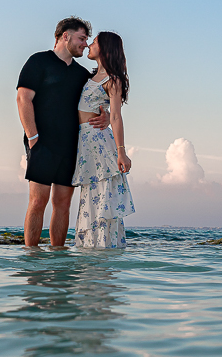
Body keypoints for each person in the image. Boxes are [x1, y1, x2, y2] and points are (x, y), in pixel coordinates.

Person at [16, 17, 108, 248]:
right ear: (65, 36)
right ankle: (32, 258)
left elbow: (96, 102)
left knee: (63, 204)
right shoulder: (38, 61)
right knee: (38, 201)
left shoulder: (81, 75)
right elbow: (23, 98)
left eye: (87, 39)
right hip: (42, 143)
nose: (85, 44)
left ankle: (58, 259)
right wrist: (33, 137)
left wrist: (105, 115)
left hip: (72, 146)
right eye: (81, 38)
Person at [72, 31, 134, 248]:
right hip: (86, 143)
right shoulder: (88, 78)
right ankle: (90, 250)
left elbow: (116, 116)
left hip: (100, 144)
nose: (89, 44)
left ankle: (104, 250)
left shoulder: (113, 80)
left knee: (103, 195)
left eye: (95, 42)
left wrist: (121, 151)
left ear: (105, 49)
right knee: (90, 196)